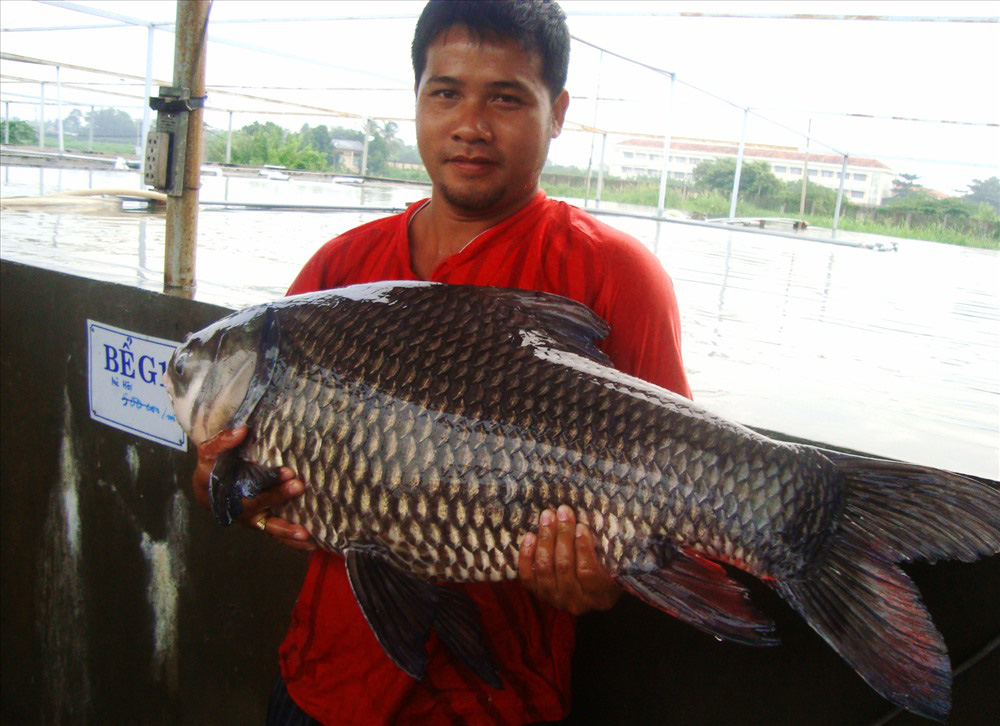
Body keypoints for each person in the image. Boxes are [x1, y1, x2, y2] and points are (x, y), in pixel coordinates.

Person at [192, 1, 691, 723]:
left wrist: (607, 577)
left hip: (498, 702)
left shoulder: (617, 277)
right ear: (418, 100)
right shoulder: (341, 270)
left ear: (558, 112)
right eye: (446, 91)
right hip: (323, 684)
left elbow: (677, 497)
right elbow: (221, 478)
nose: (471, 124)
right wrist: (229, 489)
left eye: (507, 98)